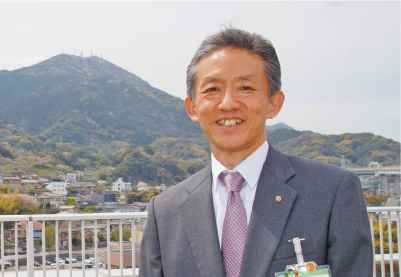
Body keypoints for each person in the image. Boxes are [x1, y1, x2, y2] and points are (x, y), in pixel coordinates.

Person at [139, 27, 373, 277]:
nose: (228, 103)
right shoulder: (164, 211)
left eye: (246, 88)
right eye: (212, 90)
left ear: (274, 103)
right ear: (192, 107)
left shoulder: (332, 191)